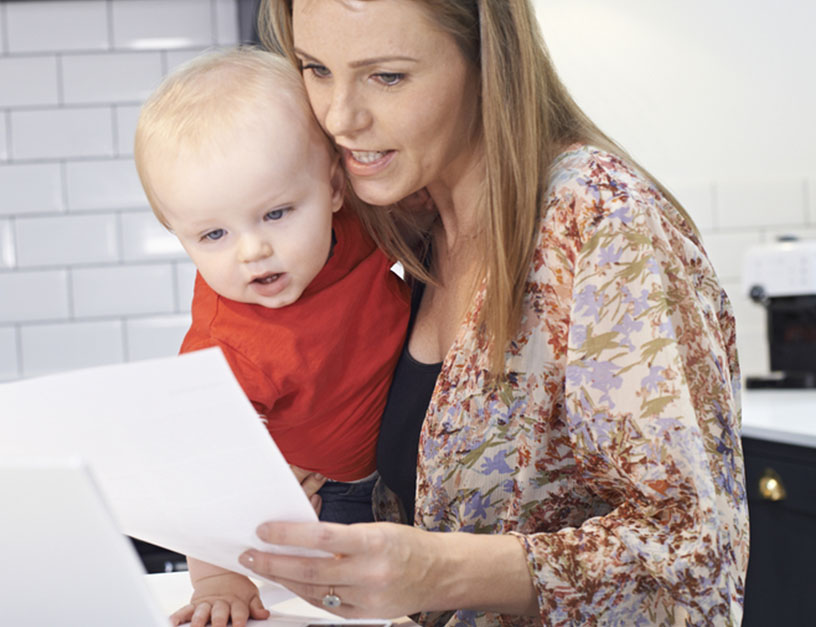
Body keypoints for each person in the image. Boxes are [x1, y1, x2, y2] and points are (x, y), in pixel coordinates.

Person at [214, 1, 749, 626]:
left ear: (486, 61)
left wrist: (439, 572)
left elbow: (693, 552)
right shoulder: (400, 223)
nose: (339, 117)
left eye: (387, 76)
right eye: (316, 68)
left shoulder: (604, 221)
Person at [133, 47, 412, 626]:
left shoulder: (360, 227)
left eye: (277, 213)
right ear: (178, 236)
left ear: (336, 190)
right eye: (213, 234)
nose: (252, 249)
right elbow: (203, 475)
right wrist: (219, 581)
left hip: (410, 468)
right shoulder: (225, 350)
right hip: (330, 498)